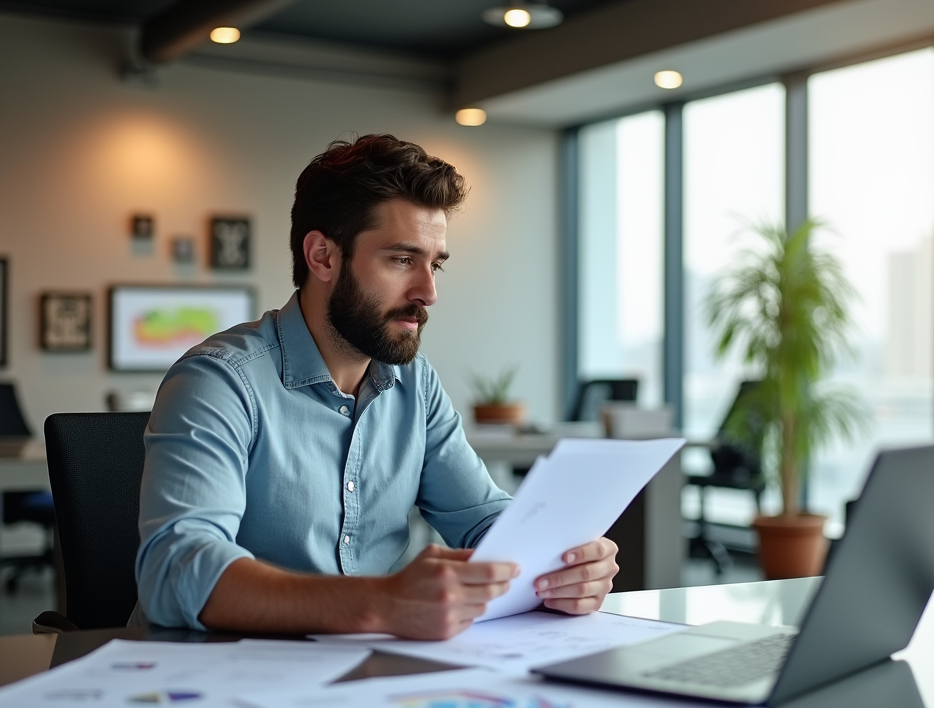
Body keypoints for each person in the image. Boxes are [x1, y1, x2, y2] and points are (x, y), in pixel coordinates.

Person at [134, 134, 619, 639]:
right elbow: (175, 571)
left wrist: (562, 561)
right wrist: (379, 604)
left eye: (435, 264)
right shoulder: (219, 381)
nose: (428, 292)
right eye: (402, 260)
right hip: (220, 685)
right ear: (322, 256)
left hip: (372, 678)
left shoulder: (415, 384)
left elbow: (482, 520)